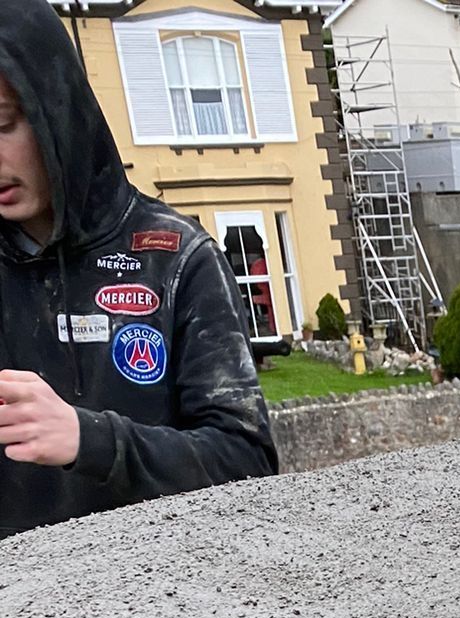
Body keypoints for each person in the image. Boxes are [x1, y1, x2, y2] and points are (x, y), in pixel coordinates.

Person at [0, 0, 277, 540]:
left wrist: (91, 441)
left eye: (3, 124)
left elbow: (247, 460)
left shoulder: (175, 258)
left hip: (163, 603)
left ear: (56, 108)